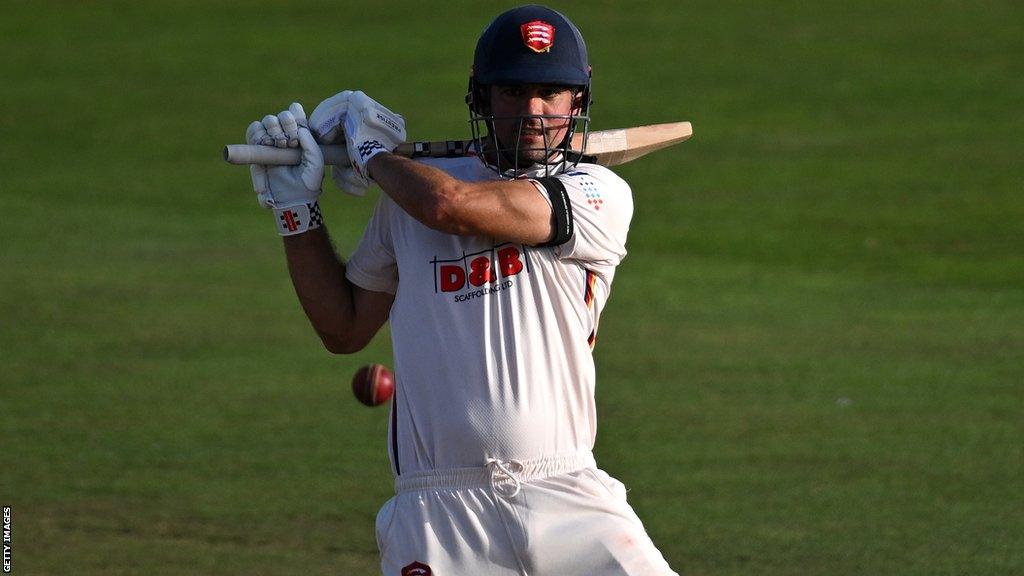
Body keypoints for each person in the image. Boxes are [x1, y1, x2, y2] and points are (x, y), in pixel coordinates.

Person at [244, 5, 678, 575]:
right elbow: (344, 328)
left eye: (552, 92)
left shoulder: (597, 191)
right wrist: (296, 211)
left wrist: (372, 154)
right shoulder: (405, 204)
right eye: (512, 92)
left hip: (568, 495)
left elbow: (451, 207)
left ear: (579, 100)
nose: (533, 111)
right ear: (481, 98)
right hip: (438, 515)